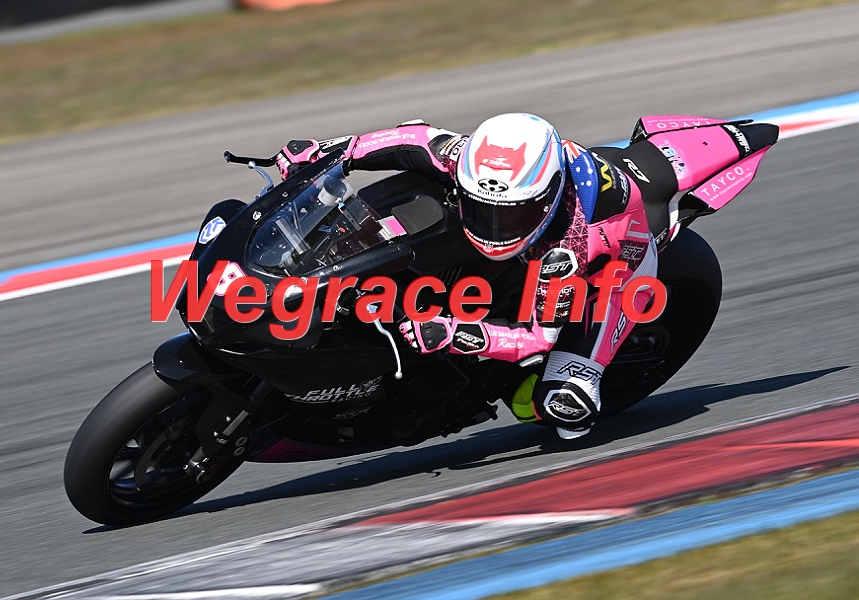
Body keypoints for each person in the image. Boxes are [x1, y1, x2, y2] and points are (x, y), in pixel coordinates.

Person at [274, 113, 682, 439]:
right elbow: (414, 138)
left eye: (512, 215)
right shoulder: (475, 159)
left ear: (547, 197)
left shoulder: (567, 249)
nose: (494, 226)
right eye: (482, 208)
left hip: (619, 268)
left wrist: (453, 333)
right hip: (538, 235)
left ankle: (551, 377)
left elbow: (538, 337)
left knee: (564, 404)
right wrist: (327, 152)